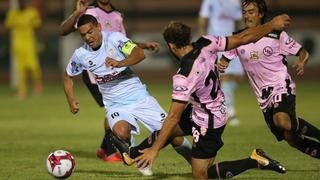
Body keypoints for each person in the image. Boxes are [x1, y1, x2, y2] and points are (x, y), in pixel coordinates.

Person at [109, 13, 291, 179]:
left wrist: (154, 151)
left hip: (210, 121)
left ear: (171, 46)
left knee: (201, 175)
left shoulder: (184, 75)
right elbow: (243, 38)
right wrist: (271, 25)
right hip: (202, 108)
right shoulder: (207, 42)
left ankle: (254, 160)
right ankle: (132, 154)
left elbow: (173, 116)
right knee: (169, 131)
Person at [63, 14, 192, 176]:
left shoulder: (115, 39)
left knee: (173, 135)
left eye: (90, 32)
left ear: (98, 27)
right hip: (115, 105)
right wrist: (71, 99)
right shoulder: (81, 54)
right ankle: (131, 151)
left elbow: (139, 54)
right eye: (83, 35)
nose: (88, 37)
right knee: (121, 131)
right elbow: (67, 75)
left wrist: (120, 63)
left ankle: (195, 166)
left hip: (140, 98)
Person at [59, 0, 162, 163]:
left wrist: (144, 46)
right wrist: (78, 13)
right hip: (98, 74)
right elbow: (63, 30)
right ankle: (111, 149)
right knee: (113, 106)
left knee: (115, 111)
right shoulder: (89, 11)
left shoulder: (117, 15)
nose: (87, 36)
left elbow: (124, 41)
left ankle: (107, 147)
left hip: (119, 71)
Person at [218, 0, 320, 159]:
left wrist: (301, 61)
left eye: (251, 12)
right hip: (264, 99)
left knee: (282, 121)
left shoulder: (277, 35)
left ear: (261, 14)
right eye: (244, 12)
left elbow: (302, 51)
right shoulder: (239, 38)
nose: (247, 16)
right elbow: (225, 57)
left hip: (281, 86)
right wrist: (222, 63)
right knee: (291, 138)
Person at [198, 0, 244, 126]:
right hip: (216, 42)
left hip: (231, 42)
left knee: (237, 77)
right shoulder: (210, 1)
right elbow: (202, 19)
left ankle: (217, 107)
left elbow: (239, 21)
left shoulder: (235, 1)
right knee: (225, 76)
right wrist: (203, 41)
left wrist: (242, 38)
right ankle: (229, 112)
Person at [4, 0, 43, 98]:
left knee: (33, 67)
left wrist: (39, 41)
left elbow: (38, 27)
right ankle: (22, 91)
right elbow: (7, 27)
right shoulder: (12, 14)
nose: (22, 3)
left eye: (23, 2)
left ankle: (37, 85)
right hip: (17, 45)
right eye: (20, 2)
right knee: (20, 69)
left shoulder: (32, 13)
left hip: (30, 44)